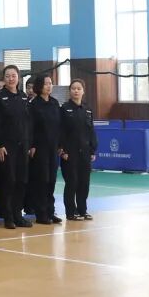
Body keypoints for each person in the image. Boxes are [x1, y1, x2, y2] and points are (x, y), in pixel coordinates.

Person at [0, 65, 32, 229]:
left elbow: (27, 122)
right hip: (7, 147)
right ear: (3, 78)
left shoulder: (23, 97)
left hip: (22, 146)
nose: (10, 78)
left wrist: (29, 144)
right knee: (9, 181)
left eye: (13, 75)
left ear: (18, 78)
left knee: (21, 181)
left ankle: (18, 215)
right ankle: (8, 217)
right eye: (7, 76)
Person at [26, 74, 63, 225]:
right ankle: (41, 213)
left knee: (52, 180)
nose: (49, 86)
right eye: (46, 83)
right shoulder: (33, 104)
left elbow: (59, 126)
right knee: (42, 180)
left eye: (50, 83)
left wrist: (60, 145)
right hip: (39, 147)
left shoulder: (54, 103)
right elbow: (30, 127)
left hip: (53, 147)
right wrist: (31, 145)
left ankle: (50, 211)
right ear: (39, 86)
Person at [59, 79, 97, 222]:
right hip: (70, 153)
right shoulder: (64, 108)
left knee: (84, 183)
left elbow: (91, 130)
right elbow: (61, 131)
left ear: (83, 91)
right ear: (70, 91)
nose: (76, 91)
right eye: (73, 88)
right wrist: (62, 150)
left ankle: (82, 210)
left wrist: (92, 150)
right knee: (72, 182)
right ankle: (71, 211)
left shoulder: (88, 110)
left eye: (79, 88)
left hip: (85, 152)